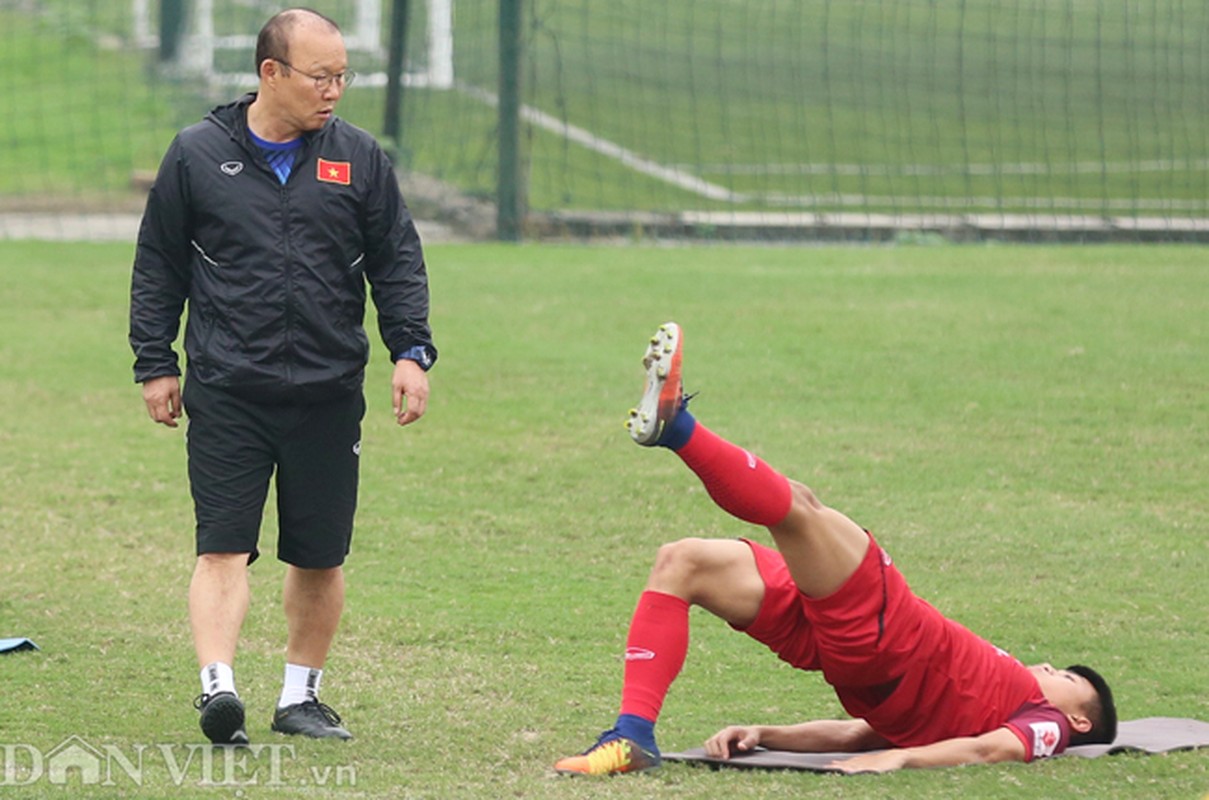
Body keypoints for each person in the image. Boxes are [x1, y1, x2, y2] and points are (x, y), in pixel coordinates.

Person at [554, 322, 1116, 775]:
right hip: (851, 656)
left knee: (800, 512)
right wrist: (765, 734)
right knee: (684, 561)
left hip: (891, 635)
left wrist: (902, 758)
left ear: (1079, 720)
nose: (1046, 665)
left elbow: (992, 752)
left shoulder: (1047, 723)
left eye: (1064, 677)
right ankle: (632, 736)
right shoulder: (980, 705)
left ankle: (676, 428)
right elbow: (857, 733)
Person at [129, 8, 436, 744]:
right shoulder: (197, 154)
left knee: (319, 553)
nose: (334, 91)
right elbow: (158, 265)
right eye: (320, 76)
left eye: (342, 77)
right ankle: (218, 691)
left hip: (328, 393)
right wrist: (154, 363)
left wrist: (410, 351)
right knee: (222, 545)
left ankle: (300, 698)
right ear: (271, 74)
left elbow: (397, 261)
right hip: (229, 389)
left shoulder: (358, 157)